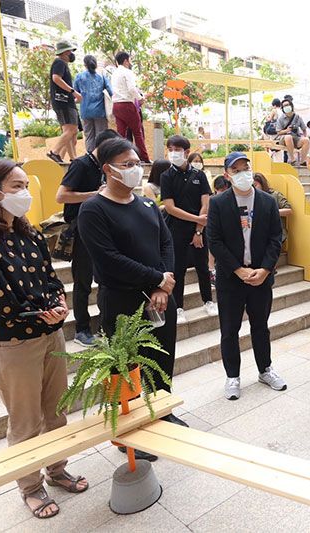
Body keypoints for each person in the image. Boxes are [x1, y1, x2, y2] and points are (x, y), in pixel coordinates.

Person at [0, 158, 87, 518]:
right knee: (25, 420)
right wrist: (40, 312)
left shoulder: (30, 233)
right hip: (11, 341)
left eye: (26, 186)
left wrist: (59, 304)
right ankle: (30, 486)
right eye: (16, 187)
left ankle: (57, 469)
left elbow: (50, 278)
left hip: (50, 333)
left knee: (56, 412)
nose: (25, 193)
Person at [77, 137, 188, 456]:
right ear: (108, 169)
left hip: (160, 298)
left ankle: (162, 413)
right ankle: (132, 433)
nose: (135, 169)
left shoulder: (147, 205)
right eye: (127, 164)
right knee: (127, 367)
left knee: (162, 358)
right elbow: (108, 258)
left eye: (137, 164)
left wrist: (162, 286)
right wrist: (156, 279)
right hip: (122, 301)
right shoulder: (93, 209)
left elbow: (165, 244)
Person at [207, 152, 287, 400]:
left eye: (246, 168)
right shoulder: (218, 203)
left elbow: (276, 238)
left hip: (261, 276)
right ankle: (232, 376)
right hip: (231, 278)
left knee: (260, 327)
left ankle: (265, 370)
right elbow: (214, 241)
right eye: (237, 170)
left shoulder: (267, 201)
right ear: (227, 175)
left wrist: (265, 269)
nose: (243, 173)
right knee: (229, 329)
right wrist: (238, 269)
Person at [55, 128, 121, 347]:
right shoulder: (81, 165)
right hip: (81, 228)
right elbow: (61, 196)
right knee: (82, 281)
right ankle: (81, 329)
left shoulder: (104, 166)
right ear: (102, 147)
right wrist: (94, 195)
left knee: (105, 278)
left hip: (102, 228)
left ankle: (104, 325)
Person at [161, 135, 217, 321]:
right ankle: (178, 308)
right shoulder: (166, 176)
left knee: (202, 266)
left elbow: (205, 203)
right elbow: (170, 207)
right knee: (178, 269)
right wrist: (196, 219)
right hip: (176, 228)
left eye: (177, 150)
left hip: (199, 229)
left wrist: (198, 230)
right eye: (170, 149)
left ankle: (208, 301)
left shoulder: (199, 175)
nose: (173, 153)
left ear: (186, 152)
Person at [110, 52, 150, 163]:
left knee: (121, 134)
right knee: (137, 132)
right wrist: (140, 98)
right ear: (126, 61)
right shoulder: (127, 72)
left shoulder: (114, 73)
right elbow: (132, 88)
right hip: (127, 104)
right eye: (129, 60)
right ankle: (144, 158)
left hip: (116, 105)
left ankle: (120, 158)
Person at [47, 41, 82, 164]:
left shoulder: (62, 64)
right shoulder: (60, 62)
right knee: (70, 130)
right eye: (70, 51)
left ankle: (69, 157)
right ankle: (55, 152)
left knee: (72, 132)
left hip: (65, 101)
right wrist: (73, 92)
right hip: (63, 101)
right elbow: (56, 78)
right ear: (66, 52)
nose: (72, 54)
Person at [74, 55, 113, 153]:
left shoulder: (79, 77)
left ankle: (90, 156)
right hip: (100, 111)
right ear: (95, 64)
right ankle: (100, 156)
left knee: (89, 136)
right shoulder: (101, 77)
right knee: (101, 136)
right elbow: (111, 92)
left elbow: (75, 93)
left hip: (85, 111)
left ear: (85, 64)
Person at [253, 172, 292, 243]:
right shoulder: (251, 197)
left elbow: (288, 210)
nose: (254, 188)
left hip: (275, 234)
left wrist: (272, 212)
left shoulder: (275, 195)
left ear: (262, 184)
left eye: (255, 185)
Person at [275, 98, 310, 165]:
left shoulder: (298, 117)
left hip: (296, 138)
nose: (286, 107)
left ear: (291, 106)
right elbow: (278, 132)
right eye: (284, 106)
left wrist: (305, 136)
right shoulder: (281, 119)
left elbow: (304, 129)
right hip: (284, 139)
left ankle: (303, 161)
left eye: (287, 105)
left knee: (306, 140)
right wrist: (287, 130)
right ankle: (292, 159)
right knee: (288, 137)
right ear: (282, 108)